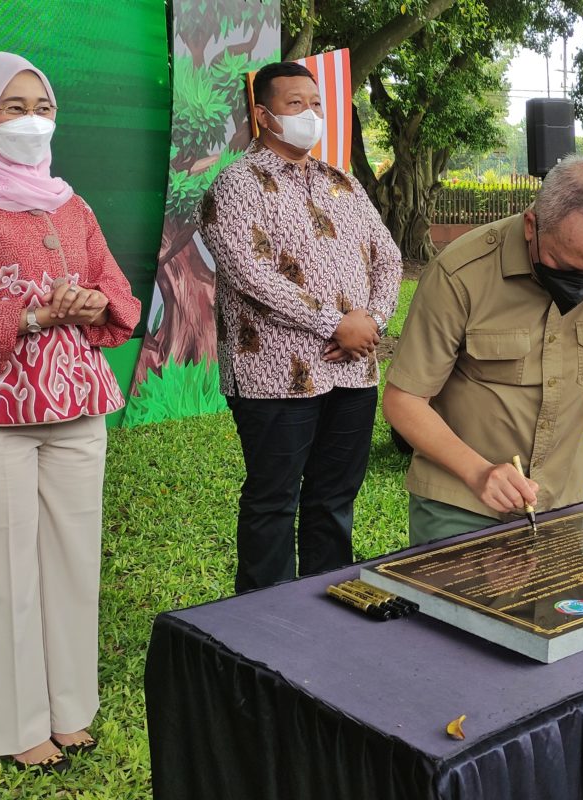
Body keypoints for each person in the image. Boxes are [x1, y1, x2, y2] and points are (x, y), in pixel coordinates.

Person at [0, 52, 141, 771]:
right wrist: (26, 318)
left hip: (76, 403)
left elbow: (118, 292)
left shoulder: (68, 201)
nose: (32, 121)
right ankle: (11, 724)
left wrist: (95, 304)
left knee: (72, 559)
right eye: (13, 108)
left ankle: (66, 708)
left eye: (42, 108)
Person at [382, 156, 583, 544]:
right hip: (461, 506)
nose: (581, 286)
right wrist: (479, 472)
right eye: (566, 267)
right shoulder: (461, 274)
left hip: (561, 505)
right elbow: (404, 400)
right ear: (532, 225)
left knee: (557, 607)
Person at [198, 61, 402, 593]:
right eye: (295, 104)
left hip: (354, 372)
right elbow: (249, 275)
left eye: (315, 103)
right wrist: (336, 323)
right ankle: (263, 623)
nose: (310, 113)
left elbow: (389, 257)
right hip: (276, 374)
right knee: (273, 500)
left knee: (334, 499)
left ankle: (327, 608)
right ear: (264, 115)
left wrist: (373, 322)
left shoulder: (344, 183)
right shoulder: (235, 185)